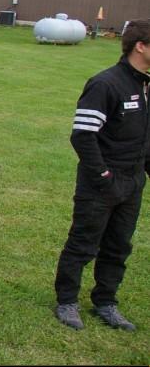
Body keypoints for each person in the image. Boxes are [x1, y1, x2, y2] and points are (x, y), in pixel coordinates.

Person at [54, 20, 150, 332]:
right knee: (83, 243)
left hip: (133, 183)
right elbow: (83, 135)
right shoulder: (106, 84)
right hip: (101, 182)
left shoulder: (145, 85)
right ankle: (67, 300)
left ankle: (105, 302)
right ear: (141, 46)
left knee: (119, 246)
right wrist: (104, 174)